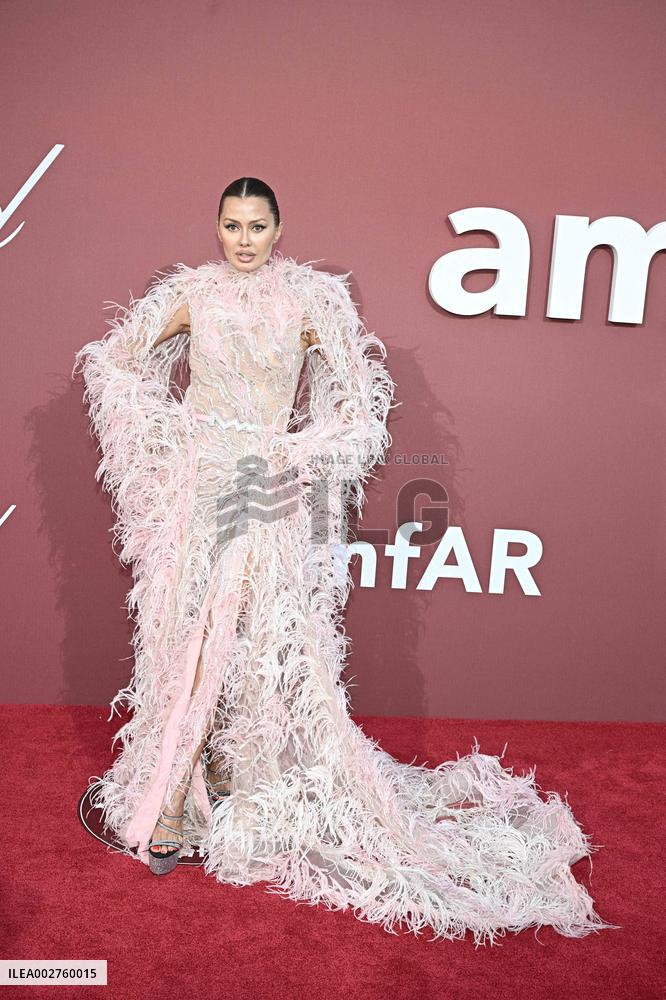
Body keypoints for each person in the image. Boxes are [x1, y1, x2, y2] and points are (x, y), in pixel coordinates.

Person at [72, 177, 618, 946]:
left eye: (257, 226)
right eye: (231, 226)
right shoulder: (190, 298)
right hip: (201, 491)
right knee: (193, 629)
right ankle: (196, 775)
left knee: (245, 635)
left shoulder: (310, 304)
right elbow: (114, 364)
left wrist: (297, 453)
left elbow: (357, 407)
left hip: (269, 491)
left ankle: (177, 801)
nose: (244, 240)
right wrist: (178, 441)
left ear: (280, 228)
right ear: (217, 228)